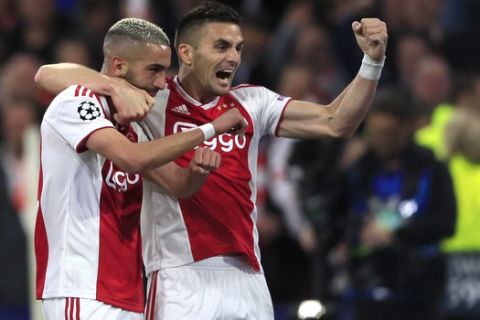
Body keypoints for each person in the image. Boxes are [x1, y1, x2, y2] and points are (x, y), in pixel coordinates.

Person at [34, 2, 388, 319]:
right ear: (186, 53)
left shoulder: (252, 102)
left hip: (248, 274)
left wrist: (371, 62)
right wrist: (115, 87)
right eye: (221, 46)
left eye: (238, 48)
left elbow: (336, 121)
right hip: (178, 276)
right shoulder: (152, 98)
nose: (233, 57)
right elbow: (50, 76)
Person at [35, 17, 247, 320]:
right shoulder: (77, 102)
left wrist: (197, 172)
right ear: (120, 67)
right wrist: (211, 129)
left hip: (129, 291)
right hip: (80, 285)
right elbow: (131, 158)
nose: (162, 83)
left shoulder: (133, 127)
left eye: (165, 70)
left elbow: (177, 185)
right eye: (154, 70)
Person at [338, 88, 456, 320]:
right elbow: (336, 216)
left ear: (406, 128)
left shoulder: (431, 168)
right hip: (366, 288)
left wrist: (397, 234)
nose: (379, 141)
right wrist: (359, 231)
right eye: (374, 133)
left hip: (417, 290)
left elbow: (446, 224)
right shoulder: (360, 168)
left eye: (387, 134)